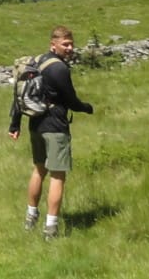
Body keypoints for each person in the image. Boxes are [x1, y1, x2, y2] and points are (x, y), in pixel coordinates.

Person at [9, 25, 94, 240]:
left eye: (72, 44)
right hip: (55, 126)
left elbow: (19, 94)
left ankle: (30, 219)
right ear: (53, 44)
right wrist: (87, 107)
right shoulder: (60, 69)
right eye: (65, 44)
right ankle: (51, 228)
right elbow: (71, 101)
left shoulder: (36, 62)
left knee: (38, 170)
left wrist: (15, 124)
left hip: (35, 124)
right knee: (58, 174)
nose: (70, 48)